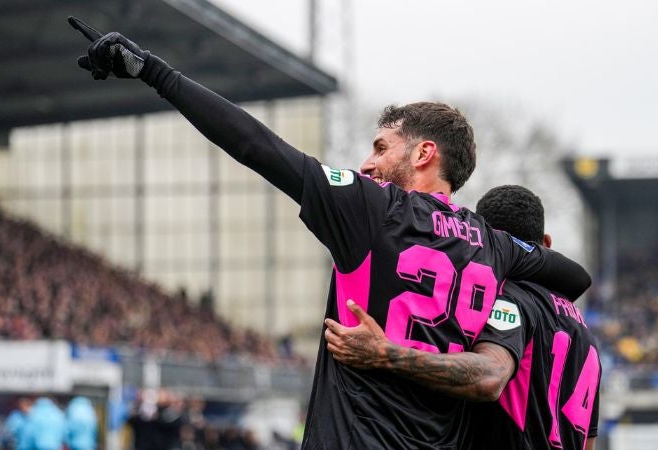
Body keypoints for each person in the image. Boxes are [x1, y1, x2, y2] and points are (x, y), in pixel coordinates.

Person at [69, 18, 591, 449]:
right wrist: (518, 256)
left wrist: (153, 71)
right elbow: (572, 274)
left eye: (382, 147)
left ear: (424, 153)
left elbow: (256, 144)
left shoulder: (371, 207)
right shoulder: (492, 244)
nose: (367, 162)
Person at [325, 185, 601, 450]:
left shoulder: (510, 300)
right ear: (546, 244)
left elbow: (490, 376)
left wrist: (385, 353)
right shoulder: (584, 332)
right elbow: (588, 443)